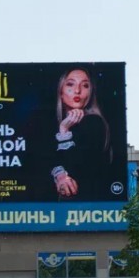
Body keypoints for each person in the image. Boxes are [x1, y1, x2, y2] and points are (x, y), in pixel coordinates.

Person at [47, 67, 116, 201]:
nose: (77, 90)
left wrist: (64, 132)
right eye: (70, 84)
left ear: (90, 92)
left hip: (89, 205)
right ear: (60, 91)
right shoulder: (48, 125)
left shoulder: (94, 122)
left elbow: (76, 167)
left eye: (85, 85)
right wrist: (59, 175)